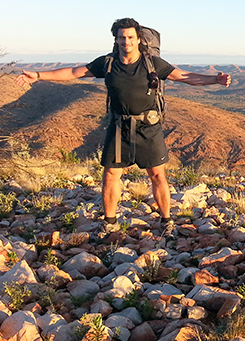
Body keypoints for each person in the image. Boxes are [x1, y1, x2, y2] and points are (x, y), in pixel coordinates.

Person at [15, 17, 231, 237]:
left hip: (149, 126)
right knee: (110, 175)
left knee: (157, 175)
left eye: (130, 37)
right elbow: (73, 73)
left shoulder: (152, 63)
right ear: (115, 39)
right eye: (121, 37)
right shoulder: (107, 63)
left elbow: (184, 76)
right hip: (119, 126)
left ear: (138, 39)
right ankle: (110, 223)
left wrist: (214, 79)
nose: (125, 41)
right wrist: (38, 76)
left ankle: (166, 221)